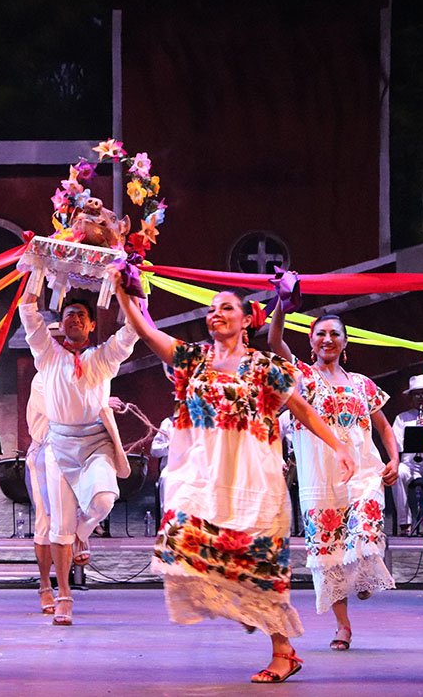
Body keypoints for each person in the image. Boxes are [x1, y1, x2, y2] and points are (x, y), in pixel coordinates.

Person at [117, 281, 356, 684]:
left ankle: (284, 652)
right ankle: (243, 610)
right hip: (203, 475)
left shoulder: (265, 367)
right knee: (181, 542)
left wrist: (340, 446)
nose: (216, 314)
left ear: (246, 321)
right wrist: (123, 289)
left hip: (254, 477)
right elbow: (143, 329)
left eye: (226, 308)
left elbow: (303, 409)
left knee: (260, 568)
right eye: (211, 309)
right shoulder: (193, 360)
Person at [268, 307, 399, 651]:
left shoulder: (362, 384)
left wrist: (395, 459)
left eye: (334, 334)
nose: (328, 339)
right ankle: (343, 625)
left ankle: (366, 566)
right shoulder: (303, 377)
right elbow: (273, 338)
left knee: (368, 519)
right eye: (321, 334)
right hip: (322, 477)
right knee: (331, 555)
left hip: (363, 468)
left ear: (345, 342)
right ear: (311, 341)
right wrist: (281, 303)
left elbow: (383, 426)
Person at [18, 292, 138, 627]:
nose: (74, 319)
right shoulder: (48, 356)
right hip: (57, 446)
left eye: (81, 315)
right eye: (69, 314)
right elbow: (28, 315)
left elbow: (130, 333)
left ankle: (84, 532)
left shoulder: (102, 358)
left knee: (103, 499)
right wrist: (35, 269)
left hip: (95, 442)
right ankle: (64, 596)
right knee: (57, 527)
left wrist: (132, 290)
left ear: (91, 324)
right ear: (62, 322)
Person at [24, 321, 66, 615]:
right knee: (46, 520)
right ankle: (45, 585)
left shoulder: (78, 373)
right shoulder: (41, 379)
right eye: (54, 341)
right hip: (45, 453)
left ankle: (85, 533)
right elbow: (61, 413)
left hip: (73, 454)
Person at [392, 374, 423, 534]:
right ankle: (405, 523)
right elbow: (395, 445)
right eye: (416, 394)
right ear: (411, 397)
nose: (421, 398)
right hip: (410, 462)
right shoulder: (402, 418)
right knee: (397, 473)